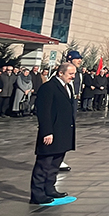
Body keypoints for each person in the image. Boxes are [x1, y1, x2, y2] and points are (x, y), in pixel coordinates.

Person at [30, 62, 77, 205]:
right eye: (70, 74)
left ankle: (49, 188)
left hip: (63, 132)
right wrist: (47, 131)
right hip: (51, 132)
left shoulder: (68, 87)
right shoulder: (48, 87)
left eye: (74, 74)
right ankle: (37, 194)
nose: (73, 77)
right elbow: (44, 112)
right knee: (44, 164)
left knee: (55, 164)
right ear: (60, 73)